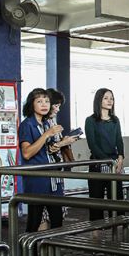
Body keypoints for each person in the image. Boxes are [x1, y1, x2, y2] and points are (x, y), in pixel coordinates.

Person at [19, 88, 79, 235]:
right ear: (31, 104)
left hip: (54, 179)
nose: (44, 104)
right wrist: (47, 135)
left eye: (46, 101)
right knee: (35, 221)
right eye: (39, 101)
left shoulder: (47, 123)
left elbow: (51, 149)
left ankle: (52, 254)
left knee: (57, 220)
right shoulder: (27, 125)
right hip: (38, 180)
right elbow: (27, 153)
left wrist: (62, 142)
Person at [84, 88, 125, 240]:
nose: (109, 101)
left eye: (112, 98)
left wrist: (120, 157)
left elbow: (119, 140)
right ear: (99, 100)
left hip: (115, 164)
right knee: (97, 202)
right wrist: (109, 161)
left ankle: (117, 238)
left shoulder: (115, 120)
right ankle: (97, 239)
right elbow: (93, 144)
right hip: (98, 164)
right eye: (106, 98)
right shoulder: (91, 120)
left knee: (117, 200)